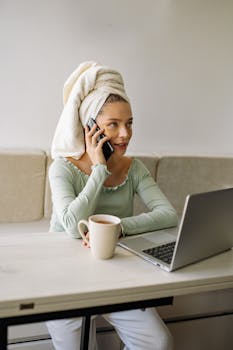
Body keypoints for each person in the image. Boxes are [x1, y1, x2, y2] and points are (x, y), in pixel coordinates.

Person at [46, 61, 178, 350]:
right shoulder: (61, 168)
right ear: (90, 127)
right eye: (113, 125)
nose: (125, 134)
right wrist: (98, 169)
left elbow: (168, 215)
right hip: (64, 279)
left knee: (158, 342)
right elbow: (71, 227)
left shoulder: (134, 168)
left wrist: (118, 229)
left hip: (116, 275)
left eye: (129, 123)